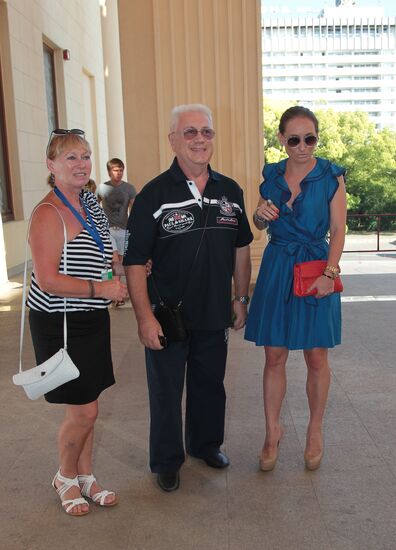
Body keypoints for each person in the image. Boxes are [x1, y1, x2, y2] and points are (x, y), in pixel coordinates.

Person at [124, 104, 253, 492]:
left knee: (210, 385)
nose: (200, 140)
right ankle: (166, 461)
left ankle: (206, 445)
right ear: (173, 140)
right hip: (168, 316)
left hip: (215, 312)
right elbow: (133, 262)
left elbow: (242, 249)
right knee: (166, 391)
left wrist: (241, 297)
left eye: (206, 132)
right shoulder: (153, 195)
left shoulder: (230, 191)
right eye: (190, 132)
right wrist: (144, 318)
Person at [27, 129, 128, 516]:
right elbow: (48, 279)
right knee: (83, 411)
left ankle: (85, 475)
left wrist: (115, 270)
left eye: (85, 156)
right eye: (70, 157)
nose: (81, 164)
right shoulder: (47, 213)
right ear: (51, 166)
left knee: (90, 401)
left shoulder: (89, 202)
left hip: (90, 317)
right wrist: (99, 290)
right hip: (60, 320)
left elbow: (102, 253)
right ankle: (65, 476)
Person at [245, 106, 347, 472]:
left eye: (310, 138)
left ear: (316, 139)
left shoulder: (331, 176)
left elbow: (338, 230)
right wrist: (260, 216)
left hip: (316, 266)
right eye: (294, 139)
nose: (302, 146)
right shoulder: (271, 175)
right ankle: (272, 432)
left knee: (316, 357)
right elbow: (258, 220)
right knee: (274, 355)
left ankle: (314, 431)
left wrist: (329, 273)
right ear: (281, 140)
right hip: (277, 267)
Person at [97, 158, 136, 261]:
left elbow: (134, 208)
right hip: (107, 229)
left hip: (123, 229)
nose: (119, 173)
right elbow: (94, 206)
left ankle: (115, 278)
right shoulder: (102, 187)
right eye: (115, 170)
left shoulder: (129, 188)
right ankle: (112, 278)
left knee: (122, 262)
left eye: (121, 170)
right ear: (109, 172)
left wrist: (133, 227)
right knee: (113, 259)